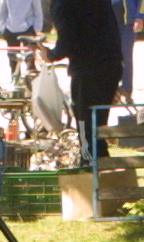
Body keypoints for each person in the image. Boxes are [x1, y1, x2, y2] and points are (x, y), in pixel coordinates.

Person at [49, 0, 125, 155]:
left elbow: (67, 39)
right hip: (111, 62)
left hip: (87, 67)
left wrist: (51, 55)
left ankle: (90, 159)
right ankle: (99, 157)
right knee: (98, 120)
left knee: (86, 119)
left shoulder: (62, 4)